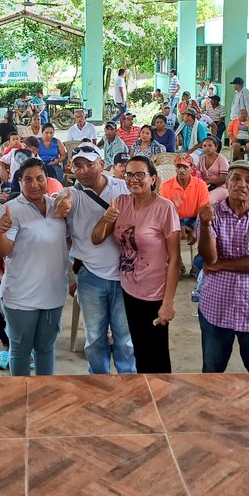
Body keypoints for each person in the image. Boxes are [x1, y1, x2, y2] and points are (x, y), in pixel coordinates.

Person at [92, 155, 180, 373]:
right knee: (139, 350)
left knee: (157, 355)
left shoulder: (165, 208)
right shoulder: (120, 202)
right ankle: (145, 396)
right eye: (129, 174)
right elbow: (96, 238)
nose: (134, 179)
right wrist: (106, 218)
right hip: (128, 289)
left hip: (154, 293)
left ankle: (160, 399)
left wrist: (168, 302)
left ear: (153, 179)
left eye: (140, 174)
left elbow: (175, 258)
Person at [197, 160, 249, 372]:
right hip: (216, 306)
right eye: (236, 178)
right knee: (212, 372)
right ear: (227, 182)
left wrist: (222, 264)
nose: (242, 184)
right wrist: (205, 226)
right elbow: (209, 259)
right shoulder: (211, 214)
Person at [0, 158, 70, 376]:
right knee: (21, 350)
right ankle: (21, 399)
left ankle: (43, 399)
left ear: (47, 179)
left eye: (39, 178)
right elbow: (2, 250)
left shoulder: (58, 207)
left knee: (46, 349)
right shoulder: (11, 210)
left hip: (53, 294)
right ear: (19, 182)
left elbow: (70, 241)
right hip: (21, 296)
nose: (35, 184)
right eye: (28, 180)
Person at [64, 144, 133, 374]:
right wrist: (71, 274)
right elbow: (61, 235)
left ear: (102, 165)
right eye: (78, 166)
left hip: (126, 276)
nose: (83, 171)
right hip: (90, 276)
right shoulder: (71, 196)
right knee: (94, 338)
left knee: (125, 338)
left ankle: (128, 381)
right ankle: (98, 384)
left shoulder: (124, 188)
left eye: (89, 165)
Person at [160, 154, 210, 253]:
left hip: (195, 219)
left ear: (192, 168)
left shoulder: (201, 185)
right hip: (174, 220)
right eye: (178, 167)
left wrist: (196, 228)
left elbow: (204, 209)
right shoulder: (166, 186)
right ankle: (175, 262)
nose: (181, 170)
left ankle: (198, 265)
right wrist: (178, 224)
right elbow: (165, 213)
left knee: (209, 234)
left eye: (185, 167)